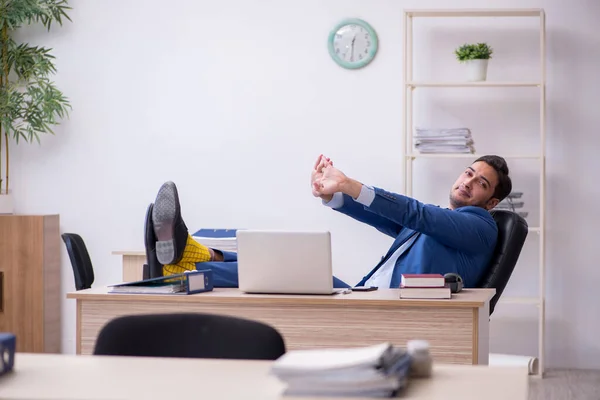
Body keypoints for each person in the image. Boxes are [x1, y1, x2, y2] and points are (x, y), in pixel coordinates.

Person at [146, 154, 511, 289]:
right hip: (364, 296)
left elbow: (414, 212)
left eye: (480, 183)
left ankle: (181, 264)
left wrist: (353, 184)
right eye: (468, 172)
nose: (467, 182)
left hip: (394, 308)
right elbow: (383, 216)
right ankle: (191, 256)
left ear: (491, 201)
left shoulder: (481, 226)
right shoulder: (439, 224)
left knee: (287, 271)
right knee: (280, 264)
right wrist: (333, 195)